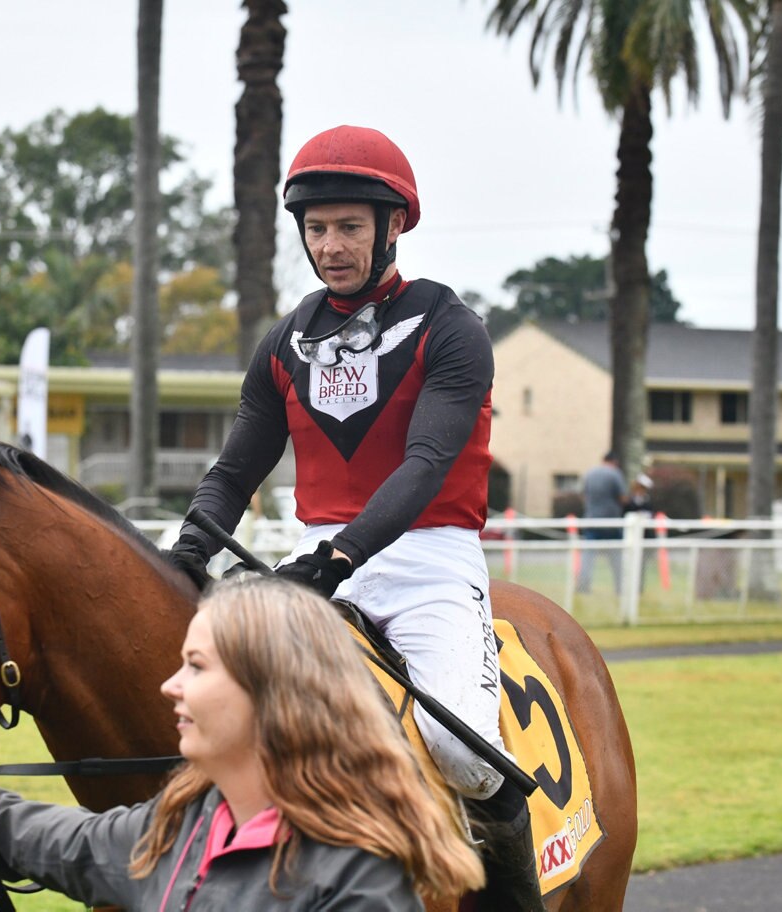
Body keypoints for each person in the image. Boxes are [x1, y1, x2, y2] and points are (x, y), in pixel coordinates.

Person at [164, 125, 544, 910]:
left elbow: (427, 464)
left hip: (429, 561)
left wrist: (339, 559)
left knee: (459, 748)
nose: (330, 246)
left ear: (393, 225)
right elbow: (237, 468)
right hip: (316, 561)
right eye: (316, 229)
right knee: (223, 723)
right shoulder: (283, 343)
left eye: (348, 227)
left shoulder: (451, 328)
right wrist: (190, 547)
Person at [0, 576, 485, 910]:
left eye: (195, 666)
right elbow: (74, 844)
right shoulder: (184, 824)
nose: (170, 685)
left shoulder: (359, 881)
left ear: (268, 692)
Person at [576, 450, 628, 594]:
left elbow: (583, 495)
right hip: (611, 523)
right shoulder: (615, 474)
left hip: (591, 520)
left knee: (588, 557)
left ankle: (583, 587)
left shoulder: (589, 474)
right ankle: (620, 588)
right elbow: (623, 498)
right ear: (615, 461)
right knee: (616, 557)